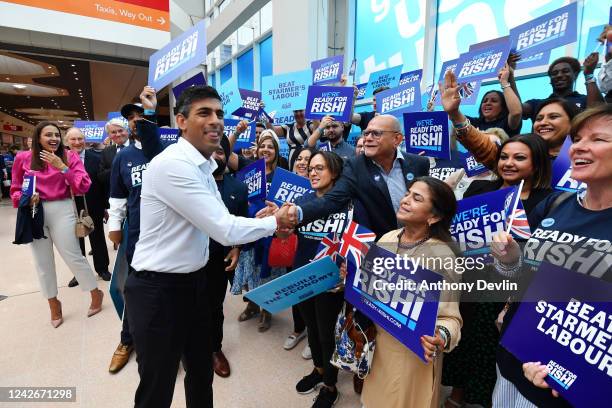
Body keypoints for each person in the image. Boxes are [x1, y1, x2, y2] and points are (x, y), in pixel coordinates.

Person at [125, 85, 294, 408]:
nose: (216, 120)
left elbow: (220, 220)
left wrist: (256, 221)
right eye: (204, 113)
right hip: (157, 290)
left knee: (201, 372)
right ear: (181, 122)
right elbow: (224, 228)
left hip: (195, 284)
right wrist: (274, 223)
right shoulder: (174, 164)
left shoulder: (205, 167)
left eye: (219, 113)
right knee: (157, 388)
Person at [490, 104, 612, 407]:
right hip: (512, 363)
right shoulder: (558, 204)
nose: (580, 147)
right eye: (578, 138)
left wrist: (580, 373)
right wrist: (510, 261)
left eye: (598, 139)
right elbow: (523, 277)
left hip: (570, 390)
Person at [441, 133, 553, 408]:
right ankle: (456, 394)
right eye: (504, 156)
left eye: (520, 158)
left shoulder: (546, 202)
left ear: (536, 164)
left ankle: (478, 400)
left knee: (487, 348)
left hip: (507, 292)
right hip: (469, 281)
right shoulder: (479, 190)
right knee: (463, 342)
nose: (509, 163)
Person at [360, 176, 462, 408]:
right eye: (407, 194)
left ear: (434, 216)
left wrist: (440, 337)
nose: (405, 200)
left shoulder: (442, 256)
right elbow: (371, 289)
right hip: (377, 349)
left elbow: (451, 319)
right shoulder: (387, 238)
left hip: (411, 357)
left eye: (416, 198)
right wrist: (356, 275)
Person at [10, 121, 104, 328]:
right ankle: (53, 303)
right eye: (48, 135)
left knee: (73, 256)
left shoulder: (69, 156)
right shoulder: (23, 158)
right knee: (42, 262)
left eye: (56, 135)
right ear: (37, 138)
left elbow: (83, 185)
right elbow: (15, 189)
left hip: (62, 208)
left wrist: (63, 168)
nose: (53, 138)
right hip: (34, 211)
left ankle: (95, 292)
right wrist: (25, 198)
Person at [290, 151, 361, 407]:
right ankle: (318, 370)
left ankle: (330, 387)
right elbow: (287, 236)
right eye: (310, 168)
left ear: (335, 173)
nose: (313, 172)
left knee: (326, 334)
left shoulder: (349, 204)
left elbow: (358, 244)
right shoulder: (302, 200)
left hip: (332, 283)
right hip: (302, 276)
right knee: (311, 328)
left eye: (320, 168)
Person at [295, 114, 430, 239]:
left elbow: (427, 203)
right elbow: (332, 199)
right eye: (366, 133)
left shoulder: (419, 163)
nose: (368, 138)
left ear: (397, 139)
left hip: (419, 243)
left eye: (376, 133)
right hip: (382, 249)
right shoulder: (354, 166)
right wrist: (297, 212)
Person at [106, 86, 160, 374]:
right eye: (131, 118)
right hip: (138, 233)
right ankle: (127, 340)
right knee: (135, 289)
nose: (135, 121)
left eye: (141, 116)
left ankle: (165, 345)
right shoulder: (122, 157)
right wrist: (115, 227)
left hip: (168, 234)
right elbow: (117, 196)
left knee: (165, 291)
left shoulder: (166, 148)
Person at [440, 70, 577, 168]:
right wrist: (454, 113)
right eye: (539, 118)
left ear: (573, 122)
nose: (543, 122)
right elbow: (484, 148)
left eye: (553, 117)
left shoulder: (581, 159)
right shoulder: (525, 157)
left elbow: (516, 112)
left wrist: (505, 82)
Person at [206, 136, 248, 378]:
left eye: (220, 152)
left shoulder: (238, 188)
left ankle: (214, 350)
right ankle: (187, 348)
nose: (214, 157)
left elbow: (241, 224)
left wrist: (237, 247)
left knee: (214, 307)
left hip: (219, 261)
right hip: (186, 259)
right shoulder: (191, 184)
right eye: (209, 152)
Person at [64, 128, 111, 287]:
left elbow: (103, 184)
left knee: (97, 236)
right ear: (67, 141)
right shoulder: (60, 159)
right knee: (75, 239)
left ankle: (102, 268)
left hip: (94, 203)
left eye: (80, 139)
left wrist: (105, 206)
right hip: (70, 204)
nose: (77, 142)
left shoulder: (97, 157)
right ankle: (79, 273)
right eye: (73, 139)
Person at [517, 55, 604, 121]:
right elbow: (516, 110)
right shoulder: (537, 104)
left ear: (575, 75)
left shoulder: (585, 100)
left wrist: (589, 74)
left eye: (565, 71)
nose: (559, 75)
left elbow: (597, 112)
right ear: (550, 79)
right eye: (554, 73)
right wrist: (508, 78)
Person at [465, 64, 522, 137]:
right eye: (484, 101)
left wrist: (504, 82)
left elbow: (516, 112)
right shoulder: (475, 123)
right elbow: (455, 117)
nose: (488, 103)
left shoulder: (507, 123)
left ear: (503, 106)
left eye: (494, 101)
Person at [98, 117, 131, 203]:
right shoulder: (106, 151)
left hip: (136, 197)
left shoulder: (138, 146)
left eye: (120, 130)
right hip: (116, 199)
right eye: (113, 132)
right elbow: (101, 177)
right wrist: (117, 166)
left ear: (127, 131)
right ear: (109, 135)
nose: (118, 134)